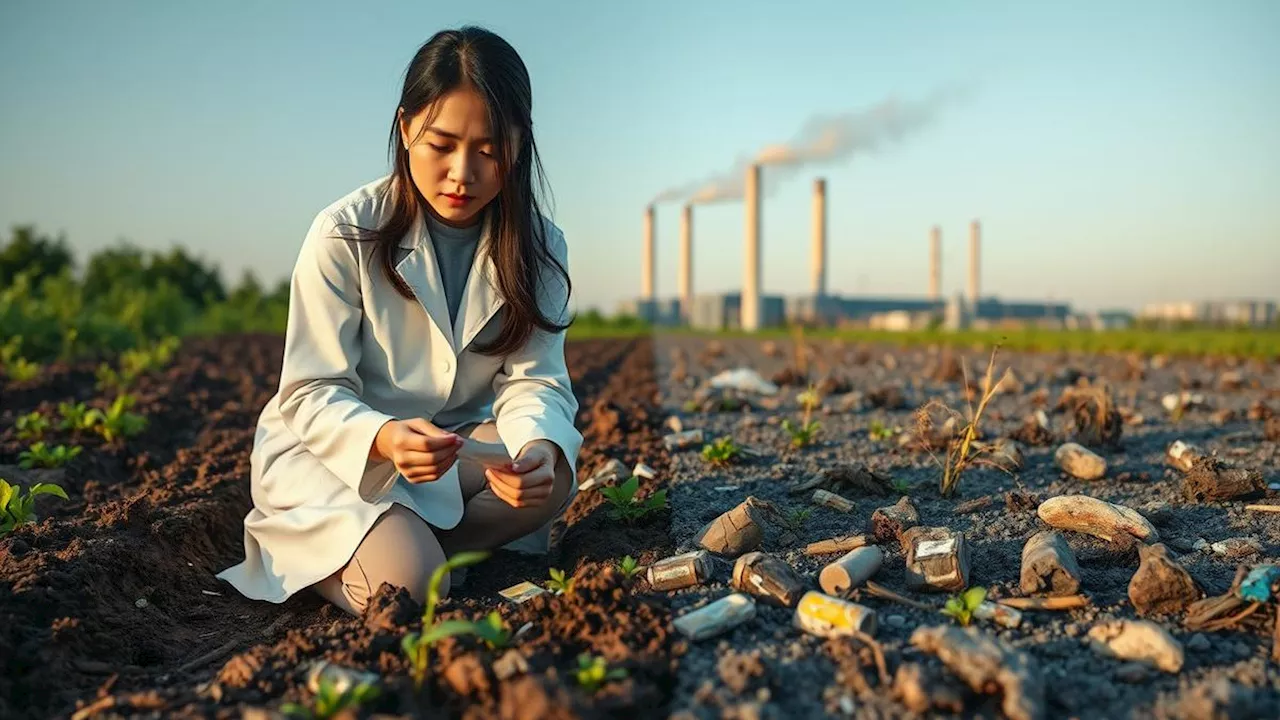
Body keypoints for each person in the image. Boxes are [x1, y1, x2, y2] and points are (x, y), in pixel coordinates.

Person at [215, 26, 582, 617]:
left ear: (519, 144)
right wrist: (382, 438)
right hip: (338, 459)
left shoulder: (539, 246)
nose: (463, 172)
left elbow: (536, 379)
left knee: (552, 476)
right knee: (411, 589)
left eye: (489, 150)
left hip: (442, 454)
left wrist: (537, 445)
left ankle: (410, 544)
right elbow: (311, 392)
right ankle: (385, 555)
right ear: (407, 126)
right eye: (442, 144)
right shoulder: (345, 232)